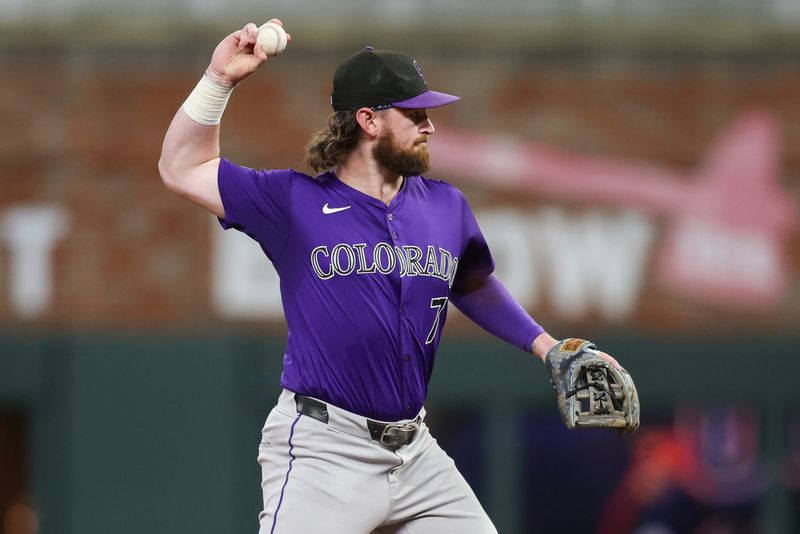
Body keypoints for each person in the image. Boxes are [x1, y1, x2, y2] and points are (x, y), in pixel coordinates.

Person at [158, 19, 622, 534]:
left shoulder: (446, 205)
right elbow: (182, 167)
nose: (430, 126)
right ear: (369, 121)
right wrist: (219, 81)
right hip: (324, 451)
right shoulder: (295, 202)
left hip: (416, 454)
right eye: (415, 113)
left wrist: (547, 347)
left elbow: (469, 282)